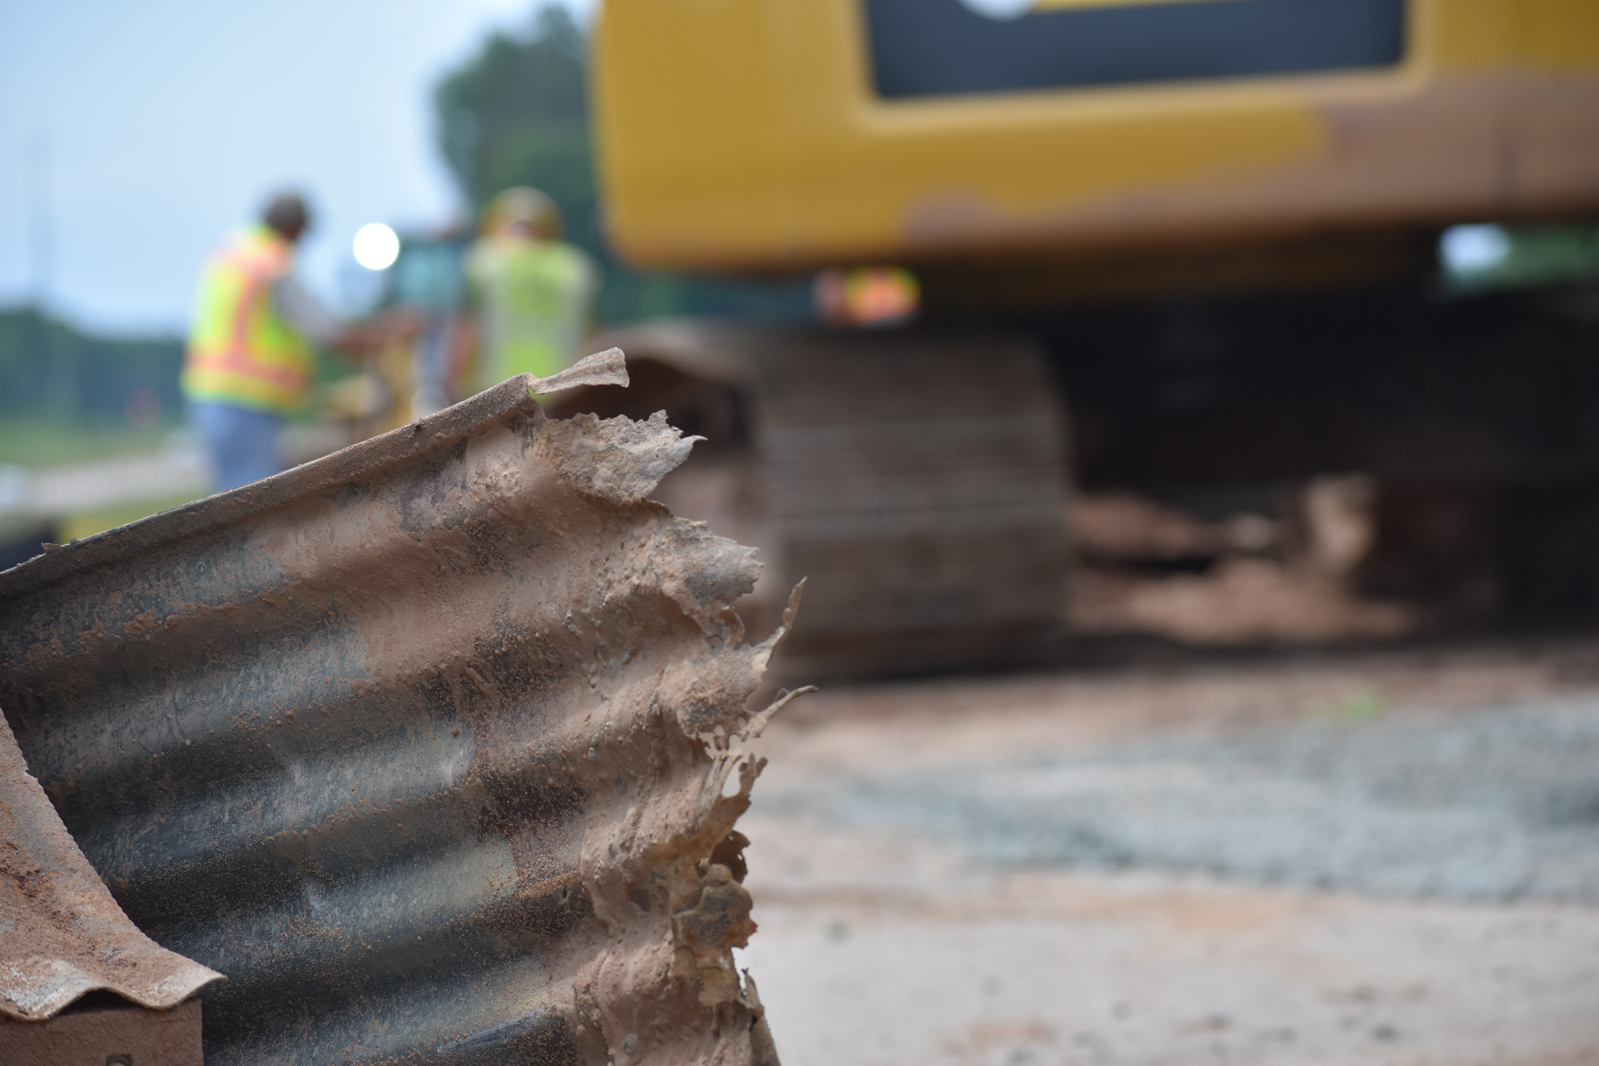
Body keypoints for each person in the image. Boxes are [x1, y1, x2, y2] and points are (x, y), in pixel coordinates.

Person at [182, 192, 410, 491]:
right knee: (251, 503)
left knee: (231, 496)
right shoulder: (270, 264)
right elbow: (327, 333)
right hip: (245, 401)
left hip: (210, 394)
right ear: (293, 226)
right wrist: (381, 338)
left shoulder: (235, 252)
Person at [462, 187, 597, 395]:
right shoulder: (573, 267)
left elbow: (467, 331)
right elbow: (590, 335)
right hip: (561, 392)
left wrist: (453, 387)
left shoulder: (485, 260)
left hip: (494, 393)